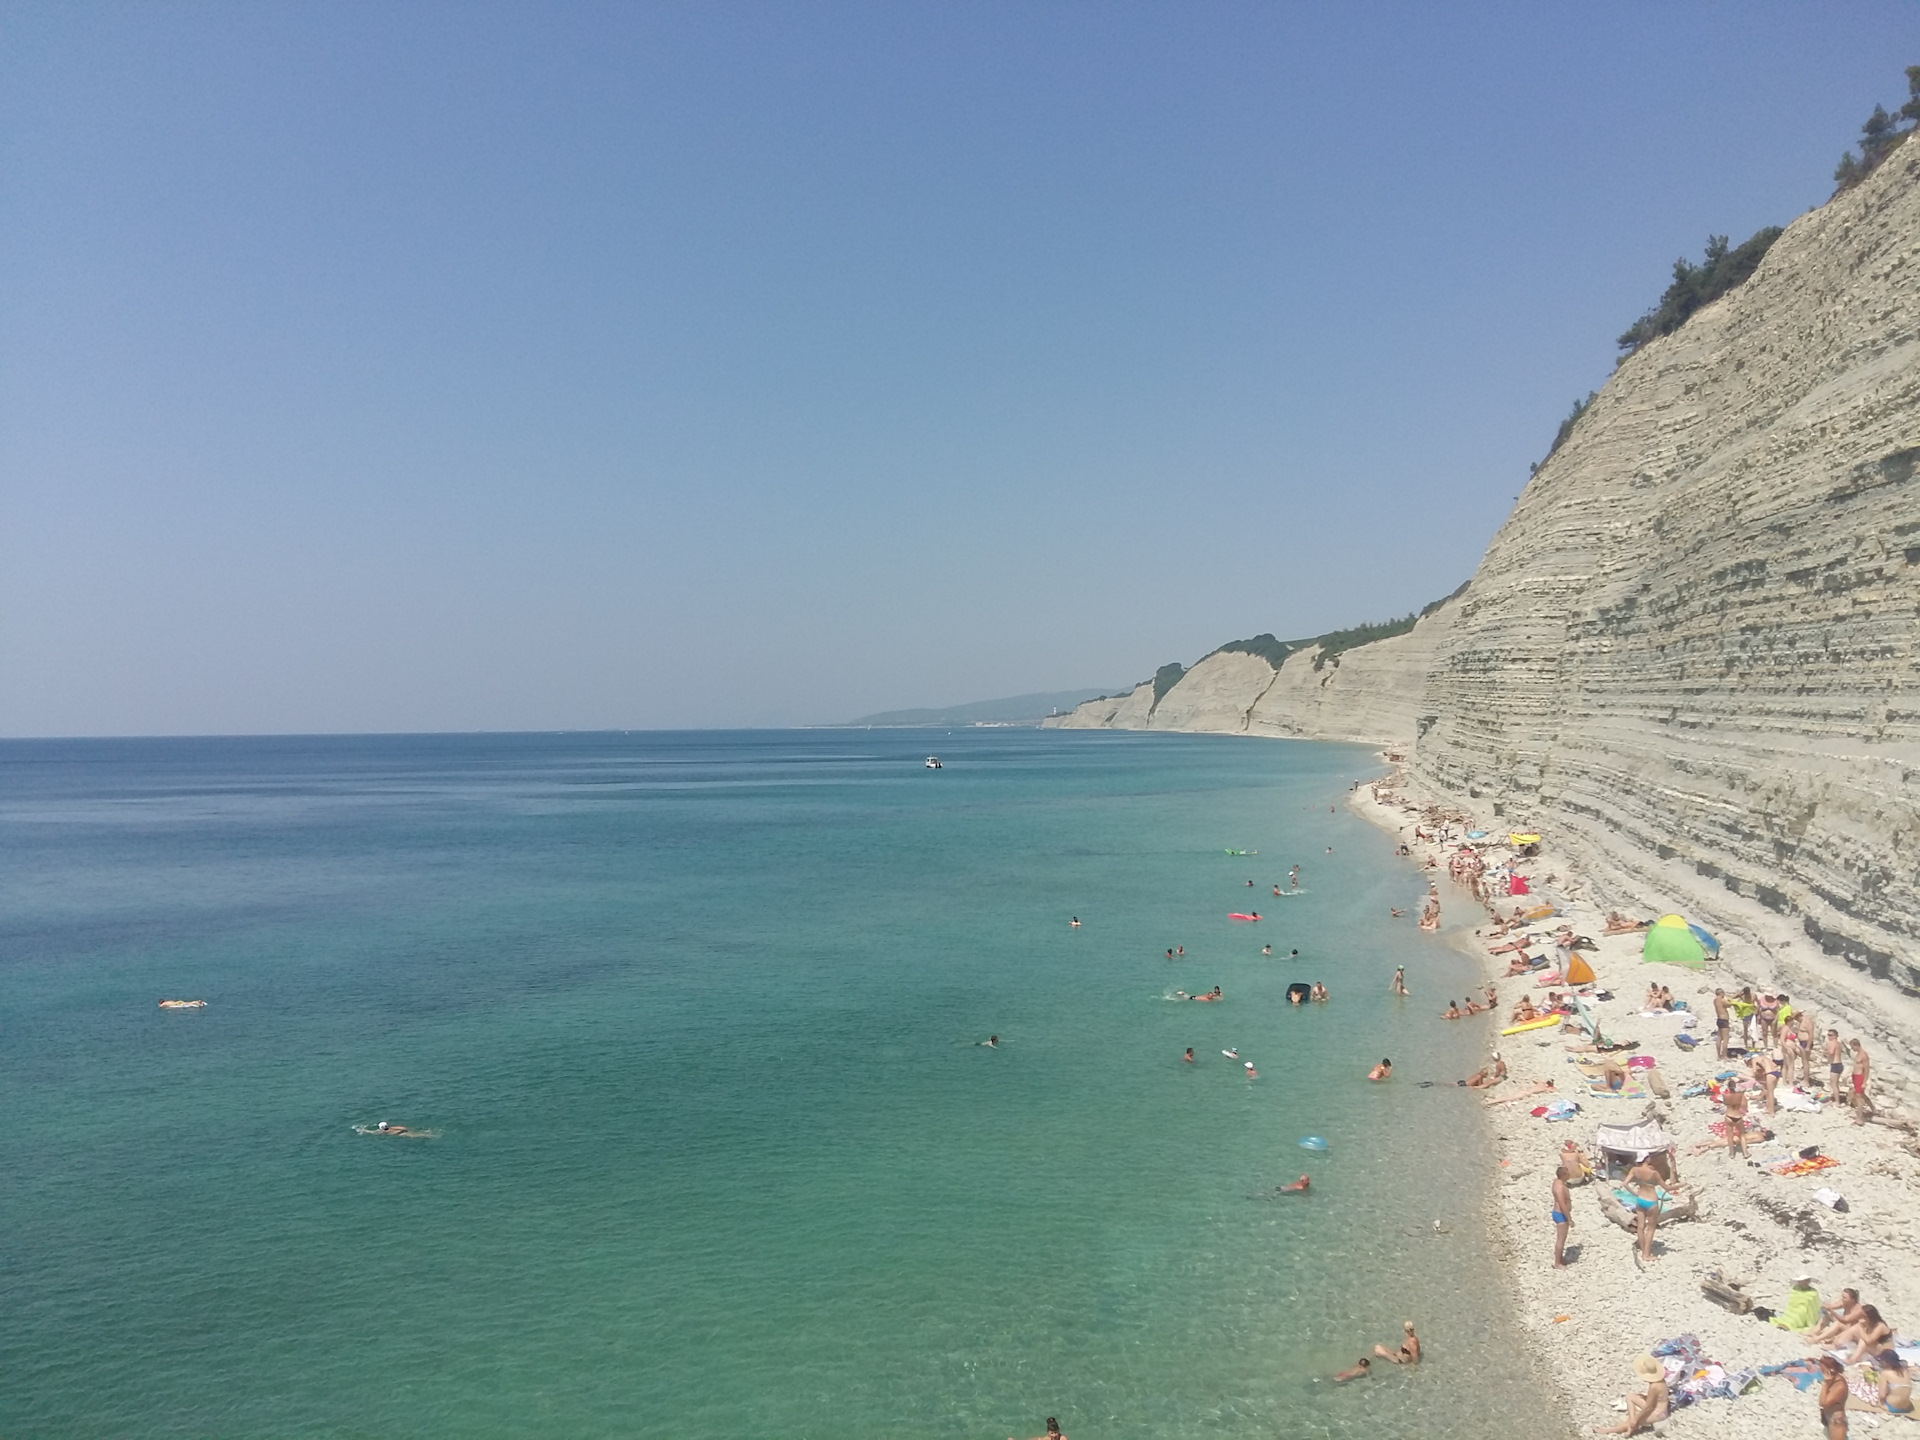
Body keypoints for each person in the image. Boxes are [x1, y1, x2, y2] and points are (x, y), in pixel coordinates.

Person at [1594, 1354, 1670, 1435]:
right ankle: (1632, 1418)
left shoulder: (1654, 1387)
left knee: (1630, 1422)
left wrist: (1637, 1418)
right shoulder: (1661, 1381)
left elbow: (1649, 1407)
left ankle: (1609, 1430)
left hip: (1658, 1413)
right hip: (1658, 1408)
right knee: (1630, 1397)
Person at [1623, 1157, 1661, 1263]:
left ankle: (1643, 1248)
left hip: (1640, 1199)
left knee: (1640, 1227)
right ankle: (1646, 1255)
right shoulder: (1653, 1173)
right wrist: (1681, 1185)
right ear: (1647, 1159)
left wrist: (1634, 1193)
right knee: (1651, 1228)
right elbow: (1667, 1187)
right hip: (1651, 1201)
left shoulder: (1635, 1170)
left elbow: (1625, 1184)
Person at [1817, 1354, 1849, 1440]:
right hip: (1829, 1416)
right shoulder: (1833, 1379)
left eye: (1822, 1368)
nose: (1820, 1370)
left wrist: (1826, 1384)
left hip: (1836, 1420)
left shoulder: (1840, 1386)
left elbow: (1823, 1403)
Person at [1874, 1350, 1912, 1415]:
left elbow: (1882, 1395)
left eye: (1881, 1360)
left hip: (1891, 1407)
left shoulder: (1885, 1373)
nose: (1880, 1362)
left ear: (1886, 1362)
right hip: (1906, 1407)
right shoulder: (1905, 1371)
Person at [1551, 1161, 1574, 1268]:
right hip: (1561, 1214)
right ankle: (1557, 1263)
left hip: (1559, 1213)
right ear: (1564, 1175)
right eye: (1568, 1173)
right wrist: (1569, 1218)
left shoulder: (1557, 1182)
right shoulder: (1560, 1187)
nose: (1569, 1175)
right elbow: (1562, 1203)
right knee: (1561, 1240)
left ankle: (1560, 1258)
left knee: (1562, 1239)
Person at [1850, 1039, 1877, 1124]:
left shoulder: (1864, 1055)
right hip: (1855, 1077)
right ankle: (1873, 1109)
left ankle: (1859, 1119)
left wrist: (1864, 1082)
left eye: (1852, 1047)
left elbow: (1866, 1069)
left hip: (1860, 1077)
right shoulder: (1858, 1054)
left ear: (1856, 1045)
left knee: (1859, 1097)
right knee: (1861, 1094)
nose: (1852, 1049)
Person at [1723, 1078, 1750, 1158]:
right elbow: (1744, 1104)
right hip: (1738, 1116)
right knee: (1742, 1135)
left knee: (1730, 1136)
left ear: (1728, 1087)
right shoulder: (1740, 1095)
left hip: (1729, 1116)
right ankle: (1745, 1153)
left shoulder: (1725, 1095)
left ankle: (1732, 1154)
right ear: (1735, 1086)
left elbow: (1725, 1103)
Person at [1824, 1029, 1846, 1103]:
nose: (1828, 1036)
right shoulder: (1838, 1043)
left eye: (1830, 1035)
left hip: (1835, 1065)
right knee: (1836, 1084)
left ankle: (1837, 1101)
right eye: (1828, 1035)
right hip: (1839, 1064)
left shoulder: (1832, 1043)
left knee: (1833, 1084)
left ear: (1835, 1036)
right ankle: (1836, 1098)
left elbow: (1831, 1052)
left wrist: (1825, 1052)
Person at [1712, 988, 1731, 1059]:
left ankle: (1718, 1055)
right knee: (1725, 1038)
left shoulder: (1715, 1000)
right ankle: (1724, 1055)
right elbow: (1730, 1004)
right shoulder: (1722, 1000)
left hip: (1719, 1019)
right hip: (1724, 1020)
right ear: (1721, 993)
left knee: (1719, 1038)